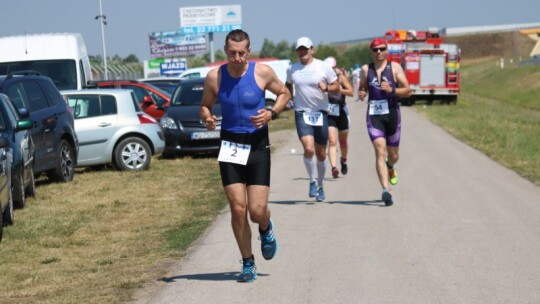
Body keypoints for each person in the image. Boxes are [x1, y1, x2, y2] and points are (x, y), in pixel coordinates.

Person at [199, 29, 290, 283]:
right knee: (238, 209)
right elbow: (205, 105)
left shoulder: (262, 73)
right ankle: (248, 262)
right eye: (232, 53)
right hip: (230, 144)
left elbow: (285, 93)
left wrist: (272, 112)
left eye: (241, 53)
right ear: (225, 52)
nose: (237, 57)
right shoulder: (214, 77)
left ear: (248, 52)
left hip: (257, 143)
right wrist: (207, 117)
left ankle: (265, 227)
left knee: (256, 210)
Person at [286, 37, 340, 202]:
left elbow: (337, 86)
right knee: (309, 149)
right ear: (297, 51)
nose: (302, 52)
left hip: (320, 113)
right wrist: (290, 98)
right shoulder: (292, 69)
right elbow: (287, 84)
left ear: (312, 50)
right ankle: (312, 181)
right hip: (302, 113)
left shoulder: (323, 67)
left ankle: (321, 185)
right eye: (299, 49)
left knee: (321, 154)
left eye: (305, 49)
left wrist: (327, 88)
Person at [358, 37, 411, 206]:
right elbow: (362, 87)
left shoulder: (394, 68)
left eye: (381, 49)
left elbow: (408, 91)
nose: (378, 52)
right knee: (379, 150)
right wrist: (361, 93)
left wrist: (392, 89)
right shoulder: (366, 69)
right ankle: (386, 190)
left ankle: (391, 166)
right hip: (374, 114)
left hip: (393, 112)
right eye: (375, 50)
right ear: (372, 52)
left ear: (386, 50)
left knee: (393, 154)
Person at [323, 56, 353, 178]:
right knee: (332, 141)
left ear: (335, 67)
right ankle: (334, 168)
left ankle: (344, 159)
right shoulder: (323, 79)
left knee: (343, 141)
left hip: (341, 111)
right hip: (329, 113)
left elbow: (351, 92)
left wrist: (339, 89)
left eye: (332, 68)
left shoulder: (341, 78)